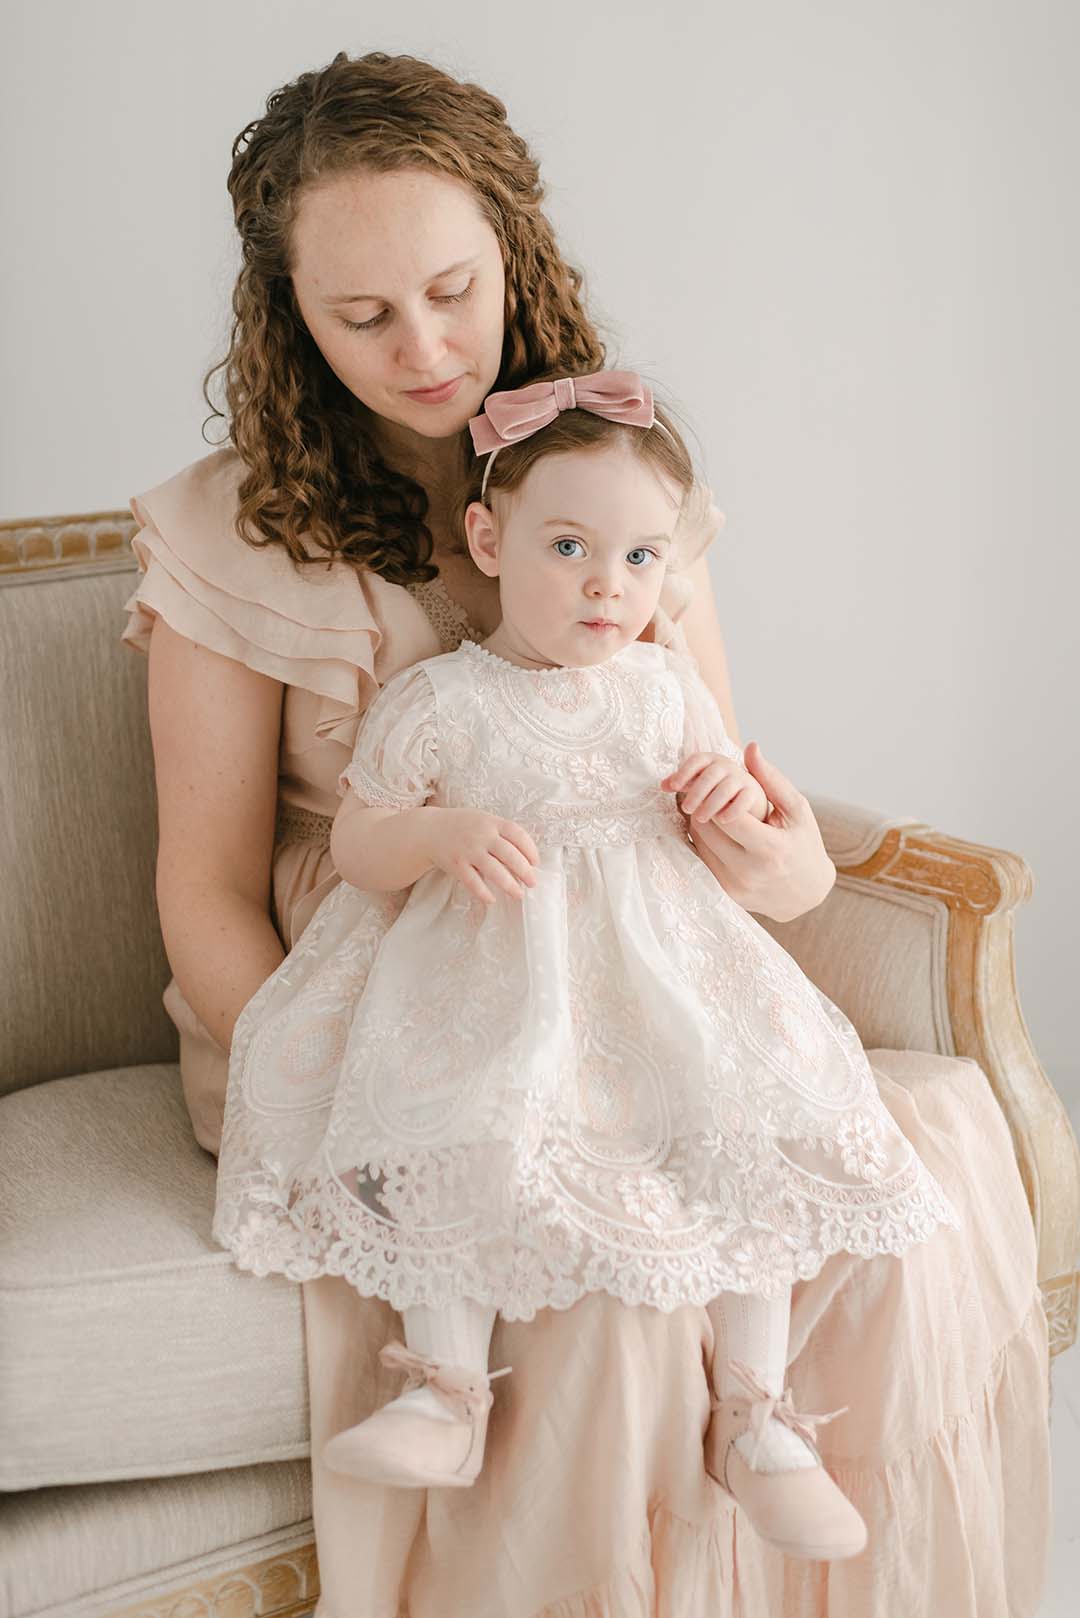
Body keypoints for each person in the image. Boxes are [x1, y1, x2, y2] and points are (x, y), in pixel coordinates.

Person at [121, 50, 1050, 1618]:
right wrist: (328, 1070)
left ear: (515, 255)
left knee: (918, 1150)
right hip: (369, 1000)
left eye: (451, 290)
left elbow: (734, 797)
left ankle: (777, 1468)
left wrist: (779, 862)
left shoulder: (618, 485)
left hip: (620, 982)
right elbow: (204, 887)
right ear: (289, 317)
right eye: (359, 316)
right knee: (594, 1275)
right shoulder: (223, 530)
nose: (419, 347)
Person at [212, 368, 964, 1565]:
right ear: (489, 538)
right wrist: (441, 835)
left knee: (747, 1124)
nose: (609, 587)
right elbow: (359, 840)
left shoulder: (665, 690)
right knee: (451, 1122)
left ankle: (756, 1416)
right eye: (570, 546)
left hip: (660, 976)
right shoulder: (443, 700)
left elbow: (736, 815)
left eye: (642, 557)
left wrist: (726, 792)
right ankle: (446, 1387)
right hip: (487, 982)